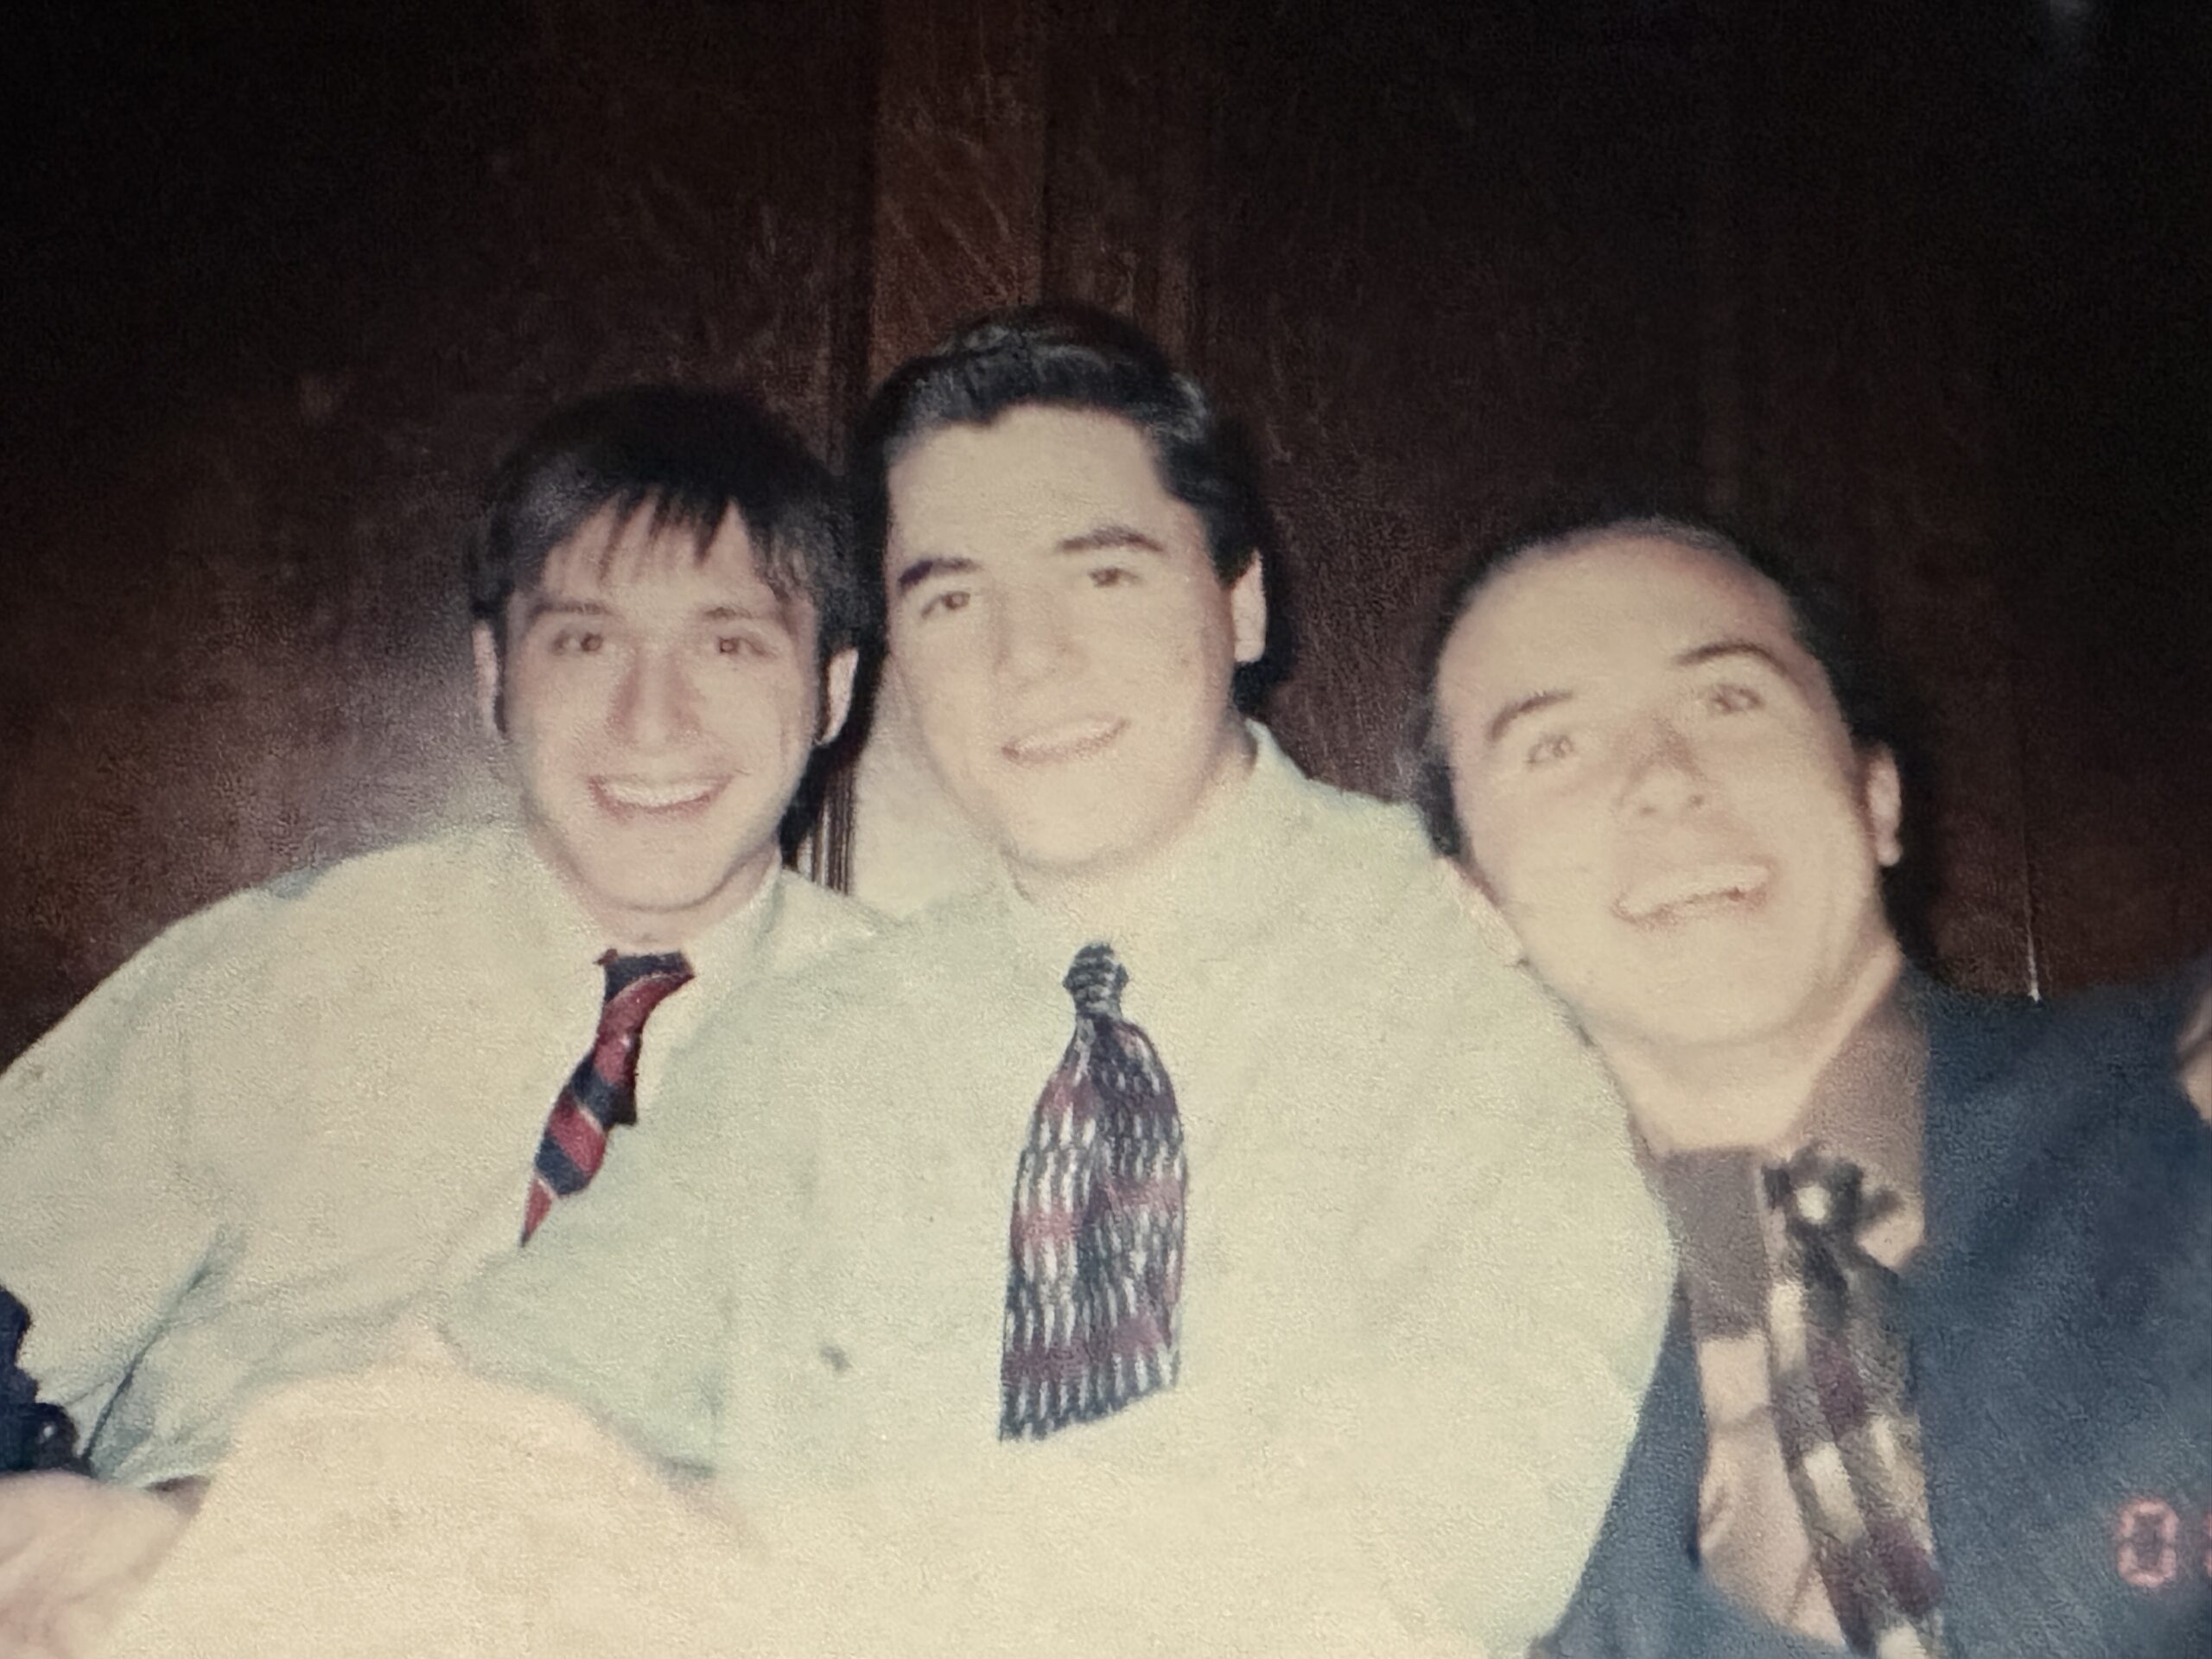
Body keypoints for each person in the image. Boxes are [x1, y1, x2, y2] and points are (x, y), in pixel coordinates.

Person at [446, 306, 1675, 1650]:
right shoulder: (808, 1052)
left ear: (1241, 598)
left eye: (1103, 575)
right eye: (953, 596)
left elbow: (1431, 1533)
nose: (1027, 659)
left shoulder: (1487, 960)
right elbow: (492, 1400)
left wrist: (745, 1557)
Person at [0, 385, 872, 1643]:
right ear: (491, 674)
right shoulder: (274, 977)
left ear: (833, 689)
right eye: (586, 642)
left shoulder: (928, 1040)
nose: (654, 718)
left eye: (729, 644)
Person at [1414, 514, 2212, 1656]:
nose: (1663, 779)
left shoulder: (2176, 1095)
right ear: (1479, 905)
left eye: (1727, 701)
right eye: (1555, 747)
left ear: (1876, 797)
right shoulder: (1502, 1416)